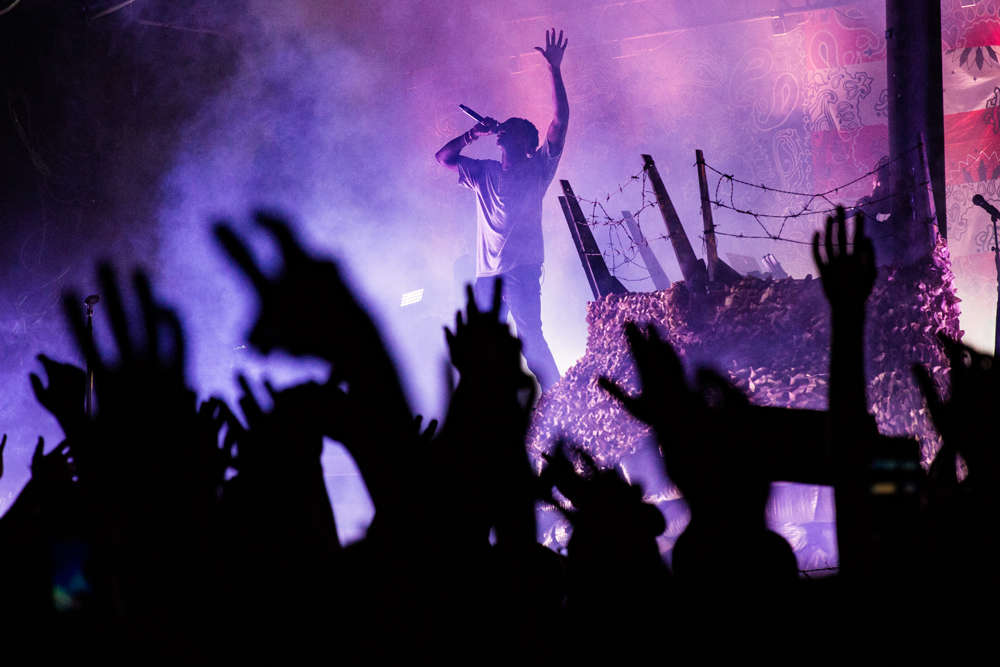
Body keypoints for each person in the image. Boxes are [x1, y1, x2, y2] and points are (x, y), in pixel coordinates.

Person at [436, 29, 569, 392]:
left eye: (507, 130)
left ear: (524, 142)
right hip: (487, 276)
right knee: (483, 348)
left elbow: (559, 123)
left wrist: (555, 71)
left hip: (521, 272)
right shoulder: (484, 172)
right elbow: (443, 158)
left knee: (531, 343)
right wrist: (472, 134)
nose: (500, 133)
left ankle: (561, 402)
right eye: (500, 131)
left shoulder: (538, 167)